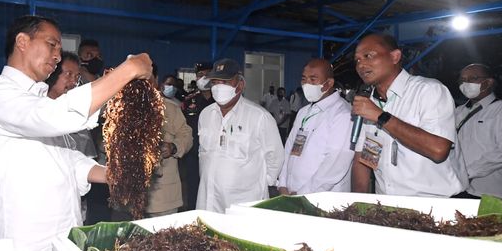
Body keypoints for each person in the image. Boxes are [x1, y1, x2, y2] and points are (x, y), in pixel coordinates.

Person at [0, 15, 152, 251]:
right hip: (28, 244)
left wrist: (113, 173)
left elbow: (65, 158)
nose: (57, 56)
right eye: (51, 45)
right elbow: (51, 117)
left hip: (66, 236)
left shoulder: (38, 98)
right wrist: (126, 71)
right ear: (22, 41)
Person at [350, 33, 463, 197]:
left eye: (368, 56)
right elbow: (365, 159)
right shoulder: (369, 103)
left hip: (435, 205)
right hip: (389, 207)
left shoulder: (428, 91)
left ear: (395, 56)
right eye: (357, 60)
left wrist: (381, 117)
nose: (361, 65)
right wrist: (356, 202)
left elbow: (438, 150)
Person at [197, 58, 284, 213]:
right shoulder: (205, 115)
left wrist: (262, 183)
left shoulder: (259, 117)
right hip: (208, 201)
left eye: (225, 82)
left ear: (240, 85)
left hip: (243, 204)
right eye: (215, 82)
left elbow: (275, 157)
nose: (219, 87)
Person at [278, 59, 354, 195]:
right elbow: (289, 147)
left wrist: (305, 193)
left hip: (321, 197)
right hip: (291, 192)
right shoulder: (303, 112)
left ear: (329, 83)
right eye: (304, 79)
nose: (306, 84)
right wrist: (283, 183)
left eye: (313, 79)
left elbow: (336, 163)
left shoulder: (342, 114)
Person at [453, 63, 502, 200]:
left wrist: (467, 172)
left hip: (492, 191)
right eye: (462, 80)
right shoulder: (458, 112)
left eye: (473, 78)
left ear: (488, 82)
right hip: (458, 187)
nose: (466, 83)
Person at [146, 65, 193, 217]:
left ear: (155, 80)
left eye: (146, 78)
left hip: (163, 196)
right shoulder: (121, 110)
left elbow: (186, 135)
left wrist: (174, 147)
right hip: (130, 197)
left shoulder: (170, 108)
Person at [181, 62, 213, 210]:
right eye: (200, 75)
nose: (204, 78)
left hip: (214, 153)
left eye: (207, 75)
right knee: (193, 186)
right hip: (193, 153)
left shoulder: (221, 101)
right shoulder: (189, 102)